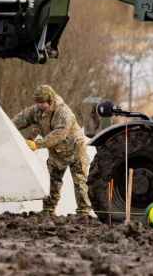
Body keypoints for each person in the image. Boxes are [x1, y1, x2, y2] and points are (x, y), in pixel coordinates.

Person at [12, 85, 91, 215]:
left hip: (76, 151)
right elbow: (22, 119)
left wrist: (38, 144)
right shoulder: (37, 111)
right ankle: (48, 209)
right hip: (57, 153)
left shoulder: (63, 112)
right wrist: (8, 126)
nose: (40, 105)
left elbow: (59, 134)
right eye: (38, 102)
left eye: (42, 102)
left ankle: (84, 212)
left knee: (80, 181)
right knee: (53, 181)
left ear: (50, 100)